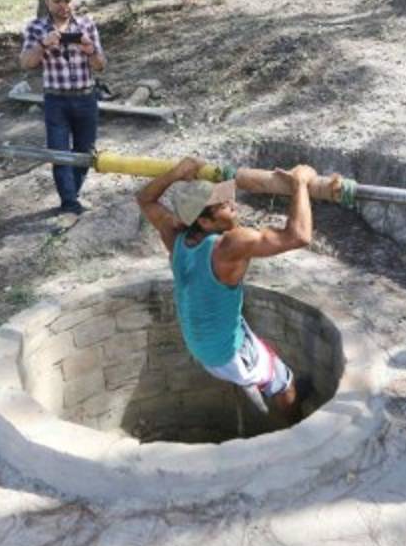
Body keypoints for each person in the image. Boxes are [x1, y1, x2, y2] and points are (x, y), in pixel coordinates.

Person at [136, 158, 317, 421]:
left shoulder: (175, 236)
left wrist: (175, 174)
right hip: (226, 352)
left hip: (200, 344)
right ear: (206, 223)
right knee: (283, 382)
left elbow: (145, 199)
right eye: (222, 205)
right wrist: (300, 182)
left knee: (248, 337)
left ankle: (256, 376)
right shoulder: (229, 245)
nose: (233, 205)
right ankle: (294, 427)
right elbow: (299, 236)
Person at [19, 0, 107, 214]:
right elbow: (26, 62)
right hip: (56, 99)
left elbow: (101, 65)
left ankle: (73, 195)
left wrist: (90, 50)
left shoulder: (87, 24)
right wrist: (43, 44)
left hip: (86, 97)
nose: (63, 5)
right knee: (59, 153)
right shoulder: (36, 27)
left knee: (84, 152)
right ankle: (69, 204)